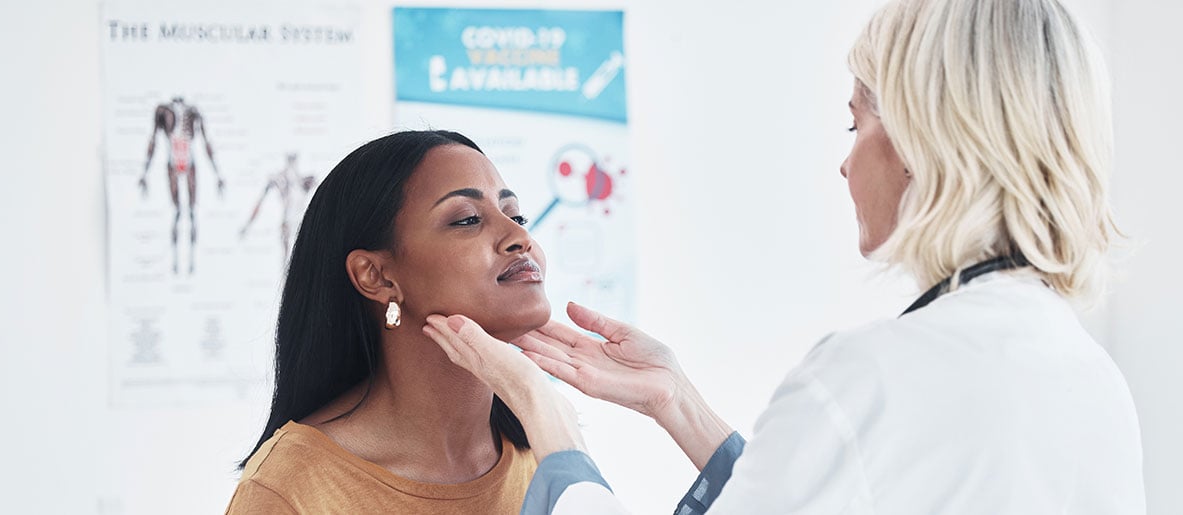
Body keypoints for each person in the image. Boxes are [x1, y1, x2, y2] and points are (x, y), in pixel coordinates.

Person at [422, 0, 1146, 513]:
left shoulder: (876, 376)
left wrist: (551, 427)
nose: (844, 163)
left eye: (854, 123)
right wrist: (676, 401)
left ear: (927, 141)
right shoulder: (1090, 379)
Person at [226, 130, 552, 514]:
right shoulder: (291, 489)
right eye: (466, 219)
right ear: (376, 277)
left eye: (516, 215)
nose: (519, 236)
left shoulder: (546, 450)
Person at [139, 96, 226, 275]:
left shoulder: (193, 113)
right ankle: (176, 264)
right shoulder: (163, 112)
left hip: (189, 162)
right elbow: (153, 141)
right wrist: (144, 173)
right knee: (178, 212)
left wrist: (218, 174)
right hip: (173, 163)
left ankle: (191, 263)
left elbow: (205, 142)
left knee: (192, 212)